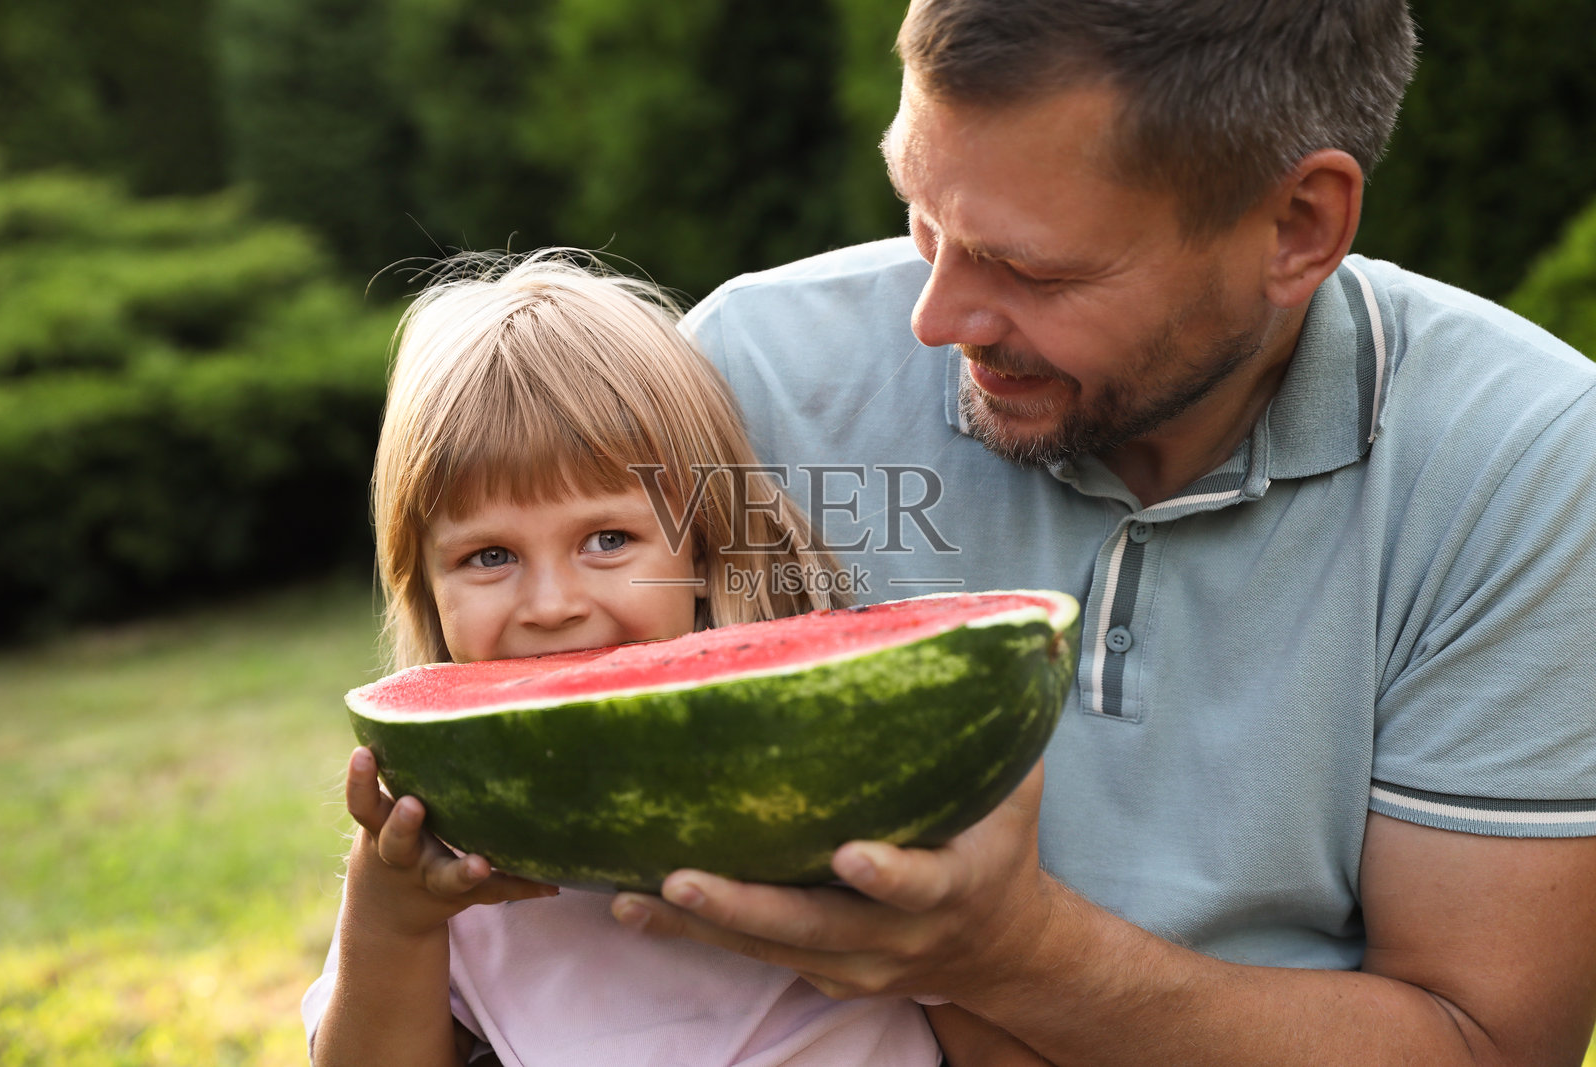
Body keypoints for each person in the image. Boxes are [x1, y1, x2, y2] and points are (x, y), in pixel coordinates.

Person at [605, 2, 1596, 1064]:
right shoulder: (746, 376)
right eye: (921, 214)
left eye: (1035, 270)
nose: (935, 319)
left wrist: (1011, 956)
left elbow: (1484, 1040)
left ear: (1298, 226)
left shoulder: (1524, 461)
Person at [299, 251, 948, 1066]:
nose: (552, 604)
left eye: (608, 540)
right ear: (427, 592)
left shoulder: (837, 778)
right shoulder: (447, 855)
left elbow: (982, 1012)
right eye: (490, 556)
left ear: (708, 552)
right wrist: (391, 916)